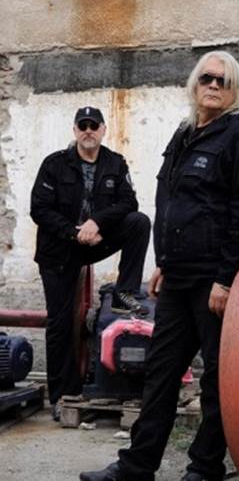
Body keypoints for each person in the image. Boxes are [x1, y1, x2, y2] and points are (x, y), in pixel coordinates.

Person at [80, 51, 239, 481]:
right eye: (207, 78)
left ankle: (204, 468)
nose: (214, 85)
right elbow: (168, 200)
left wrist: (226, 278)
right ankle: (137, 466)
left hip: (216, 280)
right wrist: (163, 261)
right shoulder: (184, 133)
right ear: (194, 83)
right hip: (178, 276)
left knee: (217, 379)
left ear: (235, 90)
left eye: (223, 81)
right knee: (160, 374)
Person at [31, 106, 150, 419]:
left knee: (138, 222)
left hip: (95, 240)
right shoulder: (54, 164)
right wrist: (74, 233)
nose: (88, 131)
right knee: (60, 323)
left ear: (103, 130)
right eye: (82, 125)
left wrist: (96, 222)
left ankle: (124, 293)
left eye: (93, 125)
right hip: (59, 251)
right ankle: (64, 395)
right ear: (75, 130)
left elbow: (129, 202)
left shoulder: (115, 163)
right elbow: (39, 209)